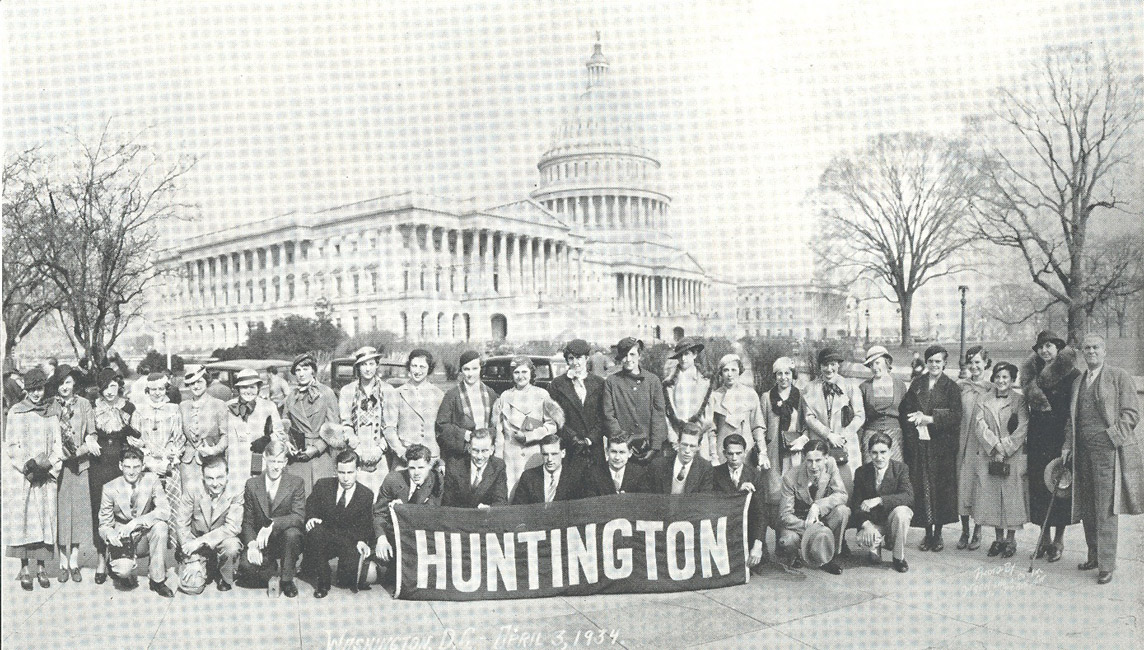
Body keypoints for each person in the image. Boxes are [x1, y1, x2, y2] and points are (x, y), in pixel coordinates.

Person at [1062, 333, 1142, 585]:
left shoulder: (1119, 377)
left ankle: (1107, 564)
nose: (1091, 352)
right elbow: (1070, 419)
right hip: (1082, 454)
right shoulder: (1079, 381)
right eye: (1087, 348)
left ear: (1104, 351)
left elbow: (1131, 414)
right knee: (1087, 505)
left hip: (1107, 453)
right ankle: (1093, 555)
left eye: (1096, 347)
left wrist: (1111, 438)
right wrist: (1067, 445)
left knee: (1106, 507)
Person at [1021, 331, 1081, 562]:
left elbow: (1073, 413)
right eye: (1041, 347)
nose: (1045, 351)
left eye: (1049, 346)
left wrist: (1068, 442)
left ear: (1058, 348)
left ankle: (1059, 540)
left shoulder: (1072, 374)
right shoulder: (1032, 374)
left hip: (1060, 440)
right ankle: (1043, 538)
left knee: (1060, 487)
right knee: (1039, 487)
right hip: (1038, 439)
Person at [5, 368, 64, 591]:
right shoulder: (16, 412)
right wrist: (27, 466)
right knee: (26, 520)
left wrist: (49, 465)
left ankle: (41, 567)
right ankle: (25, 568)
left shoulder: (50, 413)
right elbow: (11, 445)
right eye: (32, 389)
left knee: (45, 520)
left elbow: (58, 445)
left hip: (46, 475)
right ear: (26, 390)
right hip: (26, 476)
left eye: (40, 389)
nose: (37, 394)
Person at [900, 344, 962, 552]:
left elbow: (956, 416)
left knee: (941, 490)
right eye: (931, 361)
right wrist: (913, 428)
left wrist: (930, 418)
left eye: (938, 361)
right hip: (920, 445)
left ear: (944, 363)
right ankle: (927, 533)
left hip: (941, 447)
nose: (934, 365)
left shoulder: (951, 387)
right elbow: (905, 411)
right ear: (926, 363)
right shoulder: (917, 384)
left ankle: (939, 533)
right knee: (922, 488)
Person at [971, 362, 1030, 559]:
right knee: (993, 496)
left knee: (1011, 497)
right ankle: (998, 539)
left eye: (1005, 377)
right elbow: (979, 425)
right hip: (990, 454)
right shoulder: (983, 399)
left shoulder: (1019, 401)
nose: (1001, 381)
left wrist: (1005, 448)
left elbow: (1022, 427)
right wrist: (995, 446)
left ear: (1012, 380)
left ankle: (1011, 540)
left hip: (1012, 456)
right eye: (998, 377)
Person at [98, 447, 174, 597]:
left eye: (136, 467)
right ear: (120, 466)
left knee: (161, 526)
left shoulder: (152, 480)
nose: (131, 472)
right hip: (123, 538)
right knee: (123, 570)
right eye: (127, 467)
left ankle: (157, 580)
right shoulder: (109, 488)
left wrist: (136, 522)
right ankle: (122, 567)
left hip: (143, 535)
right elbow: (104, 525)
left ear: (143, 465)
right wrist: (110, 534)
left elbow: (164, 511)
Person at [88, 369, 139, 583]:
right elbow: (86, 431)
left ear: (118, 385)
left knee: (123, 510)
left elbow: (137, 434)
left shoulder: (128, 407)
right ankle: (101, 558)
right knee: (99, 511)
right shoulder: (93, 408)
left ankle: (122, 558)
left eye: (112, 386)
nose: (109, 392)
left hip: (121, 466)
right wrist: (89, 438)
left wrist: (136, 441)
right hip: (98, 466)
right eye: (104, 387)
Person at [302, 450, 375, 598]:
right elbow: (310, 505)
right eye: (342, 472)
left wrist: (362, 540)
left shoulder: (366, 495)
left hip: (347, 540)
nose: (346, 478)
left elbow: (365, 523)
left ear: (358, 470)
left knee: (346, 581)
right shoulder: (323, 485)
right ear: (336, 470)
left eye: (350, 472)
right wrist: (311, 517)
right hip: (324, 538)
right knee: (314, 531)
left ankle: (341, 570)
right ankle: (323, 581)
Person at [49, 365, 98, 583]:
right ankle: (61, 561)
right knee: (60, 512)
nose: (64, 387)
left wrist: (82, 449)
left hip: (79, 464)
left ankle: (74, 561)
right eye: (60, 383)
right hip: (58, 466)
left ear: (74, 384)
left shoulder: (84, 404)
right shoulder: (50, 405)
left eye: (68, 382)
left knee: (78, 514)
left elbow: (92, 433)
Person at [237, 439, 305, 597]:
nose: (276, 466)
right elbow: (247, 521)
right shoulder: (252, 484)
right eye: (272, 461)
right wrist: (252, 545)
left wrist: (273, 525)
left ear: (285, 462)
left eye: (280, 461)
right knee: (246, 572)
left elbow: (299, 517)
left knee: (293, 533)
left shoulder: (296, 483)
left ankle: (287, 579)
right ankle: (269, 568)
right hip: (261, 543)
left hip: (285, 540)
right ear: (264, 459)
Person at [491, 355, 563, 497]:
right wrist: (498, 458)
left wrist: (529, 436)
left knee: (533, 492)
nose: (520, 376)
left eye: (524, 372)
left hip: (534, 454)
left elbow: (552, 426)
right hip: (510, 456)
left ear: (531, 373)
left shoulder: (542, 394)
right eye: (516, 372)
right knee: (510, 493)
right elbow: (499, 430)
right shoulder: (505, 396)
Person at [372, 444, 442, 584]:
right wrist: (381, 538)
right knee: (373, 575)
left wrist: (404, 509)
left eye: (421, 468)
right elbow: (379, 513)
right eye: (412, 468)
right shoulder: (393, 480)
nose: (416, 473)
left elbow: (434, 513)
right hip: (395, 535)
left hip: (420, 538)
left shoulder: (437, 480)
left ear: (429, 466)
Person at [777, 440, 850, 575]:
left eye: (818, 460)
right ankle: (795, 556)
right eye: (809, 461)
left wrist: (818, 506)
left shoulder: (831, 465)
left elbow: (842, 494)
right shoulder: (790, 477)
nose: (814, 466)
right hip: (800, 522)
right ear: (804, 458)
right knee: (788, 541)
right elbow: (785, 515)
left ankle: (828, 555)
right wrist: (810, 527)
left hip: (821, 519)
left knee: (843, 511)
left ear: (826, 458)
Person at [174, 455, 243, 593]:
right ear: (203, 477)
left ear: (227, 475)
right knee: (192, 588)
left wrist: (200, 541)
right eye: (210, 478)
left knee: (232, 545)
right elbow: (182, 523)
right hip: (194, 544)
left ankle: (224, 576)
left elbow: (232, 527)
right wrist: (192, 559)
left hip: (220, 541)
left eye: (220, 477)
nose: (215, 483)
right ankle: (201, 565)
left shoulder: (236, 490)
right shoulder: (192, 487)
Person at [849, 432, 914, 572]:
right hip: (873, 522)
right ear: (869, 453)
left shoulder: (901, 469)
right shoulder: (861, 472)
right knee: (864, 542)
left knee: (902, 513)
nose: (879, 458)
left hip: (892, 520)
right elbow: (855, 503)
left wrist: (879, 500)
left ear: (890, 452)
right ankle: (875, 545)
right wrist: (866, 525)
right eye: (874, 453)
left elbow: (908, 496)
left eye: (883, 452)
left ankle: (898, 557)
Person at [804, 348, 865, 493]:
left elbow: (860, 415)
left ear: (838, 365)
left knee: (847, 483)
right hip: (821, 441)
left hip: (845, 443)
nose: (829, 369)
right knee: (820, 483)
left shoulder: (850, 386)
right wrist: (828, 434)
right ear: (820, 366)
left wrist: (844, 435)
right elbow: (809, 416)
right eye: (825, 365)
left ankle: (848, 513)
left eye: (832, 364)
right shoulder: (811, 388)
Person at [339, 346, 397, 499]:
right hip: (356, 453)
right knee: (358, 498)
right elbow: (346, 424)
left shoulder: (388, 391)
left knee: (379, 498)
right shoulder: (347, 391)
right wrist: (358, 450)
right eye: (363, 364)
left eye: (371, 364)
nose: (368, 368)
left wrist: (379, 450)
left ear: (377, 364)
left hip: (380, 455)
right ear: (358, 366)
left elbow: (391, 426)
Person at [131, 372, 186, 531]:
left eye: (161, 389)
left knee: (172, 508)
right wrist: (150, 463)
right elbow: (134, 442)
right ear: (147, 391)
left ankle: (174, 545)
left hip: (168, 467)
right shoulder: (139, 411)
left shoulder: (174, 409)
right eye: (153, 389)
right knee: (146, 509)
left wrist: (167, 462)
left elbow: (179, 439)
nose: (157, 393)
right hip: (147, 468)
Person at [283, 353, 341, 497]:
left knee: (322, 500)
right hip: (298, 457)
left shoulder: (327, 393)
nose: (301, 374)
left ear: (313, 370)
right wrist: (287, 443)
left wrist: (316, 449)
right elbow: (284, 426)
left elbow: (334, 427)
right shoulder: (291, 397)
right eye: (297, 370)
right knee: (299, 501)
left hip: (321, 456)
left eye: (305, 369)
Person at [602, 337, 669, 463]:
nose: (628, 359)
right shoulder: (612, 382)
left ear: (639, 355)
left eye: (632, 354)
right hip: (624, 450)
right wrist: (625, 442)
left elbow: (658, 414)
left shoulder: (652, 381)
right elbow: (608, 415)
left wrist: (654, 447)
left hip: (650, 447)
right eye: (624, 355)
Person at [547, 339, 607, 472]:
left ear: (586, 358)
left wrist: (590, 439)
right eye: (571, 358)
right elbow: (554, 418)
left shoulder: (599, 383)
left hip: (594, 448)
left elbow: (603, 416)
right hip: (569, 447)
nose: (575, 362)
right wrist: (572, 437)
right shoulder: (557, 384)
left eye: (579, 358)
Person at [713, 434, 769, 570]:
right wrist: (738, 491)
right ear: (724, 453)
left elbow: (761, 514)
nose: (734, 458)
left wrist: (758, 544)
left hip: (747, 532)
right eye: (730, 453)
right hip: (723, 531)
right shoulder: (715, 473)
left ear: (745, 452)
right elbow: (713, 505)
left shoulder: (755, 475)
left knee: (756, 564)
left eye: (738, 453)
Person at [956, 346, 993, 551]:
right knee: (963, 486)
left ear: (986, 364)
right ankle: (964, 530)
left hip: (982, 446)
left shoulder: (992, 388)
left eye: (978, 362)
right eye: (971, 362)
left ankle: (978, 530)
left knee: (980, 486)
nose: (974, 366)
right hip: (962, 443)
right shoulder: (961, 386)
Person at [436, 350, 497, 465]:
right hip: (460, 455)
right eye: (466, 369)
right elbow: (441, 426)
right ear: (461, 371)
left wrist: (487, 436)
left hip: (485, 453)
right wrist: (464, 435)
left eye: (474, 369)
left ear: (480, 369)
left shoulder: (490, 394)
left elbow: (496, 424)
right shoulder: (452, 395)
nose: (470, 374)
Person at [178, 364, 230, 494]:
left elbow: (226, 435)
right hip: (187, 464)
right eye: (192, 383)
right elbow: (179, 435)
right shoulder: (183, 406)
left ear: (207, 382)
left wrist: (213, 450)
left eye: (199, 382)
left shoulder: (219, 405)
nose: (196, 386)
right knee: (189, 498)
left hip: (212, 462)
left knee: (210, 497)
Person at [705, 353, 767, 464]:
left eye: (733, 370)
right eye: (725, 370)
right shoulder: (715, 396)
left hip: (746, 453)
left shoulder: (750, 394)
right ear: (721, 373)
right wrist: (714, 456)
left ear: (740, 371)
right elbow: (711, 431)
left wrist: (763, 452)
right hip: (723, 454)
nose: (730, 374)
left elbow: (757, 427)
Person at [227, 368, 285, 481]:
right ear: (238, 389)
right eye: (244, 387)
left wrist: (268, 439)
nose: (248, 391)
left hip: (260, 463)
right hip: (234, 464)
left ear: (258, 388)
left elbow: (280, 435)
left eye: (252, 387)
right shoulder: (227, 407)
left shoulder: (269, 406)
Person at [389, 349, 445, 466]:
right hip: (405, 459)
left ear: (429, 369)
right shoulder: (397, 393)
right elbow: (389, 429)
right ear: (409, 367)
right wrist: (401, 452)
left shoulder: (438, 394)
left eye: (422, 367)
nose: (417, 371)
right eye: (414, 366)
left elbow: (443, 430)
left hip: (431, 459)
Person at [858, 346, 907, 464]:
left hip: (895, 434)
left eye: (877, 363)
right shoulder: (864, 387)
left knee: (895, 469)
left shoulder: (900, 385)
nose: (874, 368)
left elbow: (906, 414)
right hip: (871, 433)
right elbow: (859, 415)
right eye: (871, 365)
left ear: (886, 362)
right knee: (870, 469)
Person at [663, 338, 711, 453]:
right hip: (676, 438)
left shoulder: (705, 381)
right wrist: (673, 438)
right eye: (680, 356)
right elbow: (665, 413)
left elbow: (708, 416)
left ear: (694, 355)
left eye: (687, 354)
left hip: (699, 438)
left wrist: (694, 436)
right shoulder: (669, 383)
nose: (683, 359)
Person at [441, 428, 508, 508]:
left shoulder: (498, 466)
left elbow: (501, 501)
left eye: (484, 451)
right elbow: (448, 503)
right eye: (475, 450)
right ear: (469, 448)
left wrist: (489, 509)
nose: (479, 456)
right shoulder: (454, 466)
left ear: (492, 450)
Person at [763, 357, 806, 475]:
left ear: (793, 375)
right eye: (779, 374)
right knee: (774, 489)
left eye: (787, 373)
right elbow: (761, 428)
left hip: (796, 452)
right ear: (775, 376)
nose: (783, 377)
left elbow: (807, 425)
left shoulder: (801, 396)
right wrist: (762, 452)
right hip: (773, 453)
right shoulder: (767, 397)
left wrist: (803, 439)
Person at [647, 423, 714, 495]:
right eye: (684, 445)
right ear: (678, 443)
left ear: (699, 447)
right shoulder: (658, 465)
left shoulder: (705, 468)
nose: (687, 451)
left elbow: (703, 500)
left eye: (692, 446)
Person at [580, 431, 650, 497]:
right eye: (613, 452)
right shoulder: (593, 474)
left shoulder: (639, 473)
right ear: (607, 451)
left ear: (630, 453)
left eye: (622, 452)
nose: (617, 457)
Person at [512, 434, 578, 505]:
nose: (549, 459)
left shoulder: (574, 478)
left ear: (563, 453)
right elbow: (518, 509)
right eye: (545, 454)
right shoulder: (528, 477)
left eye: (554, 454)